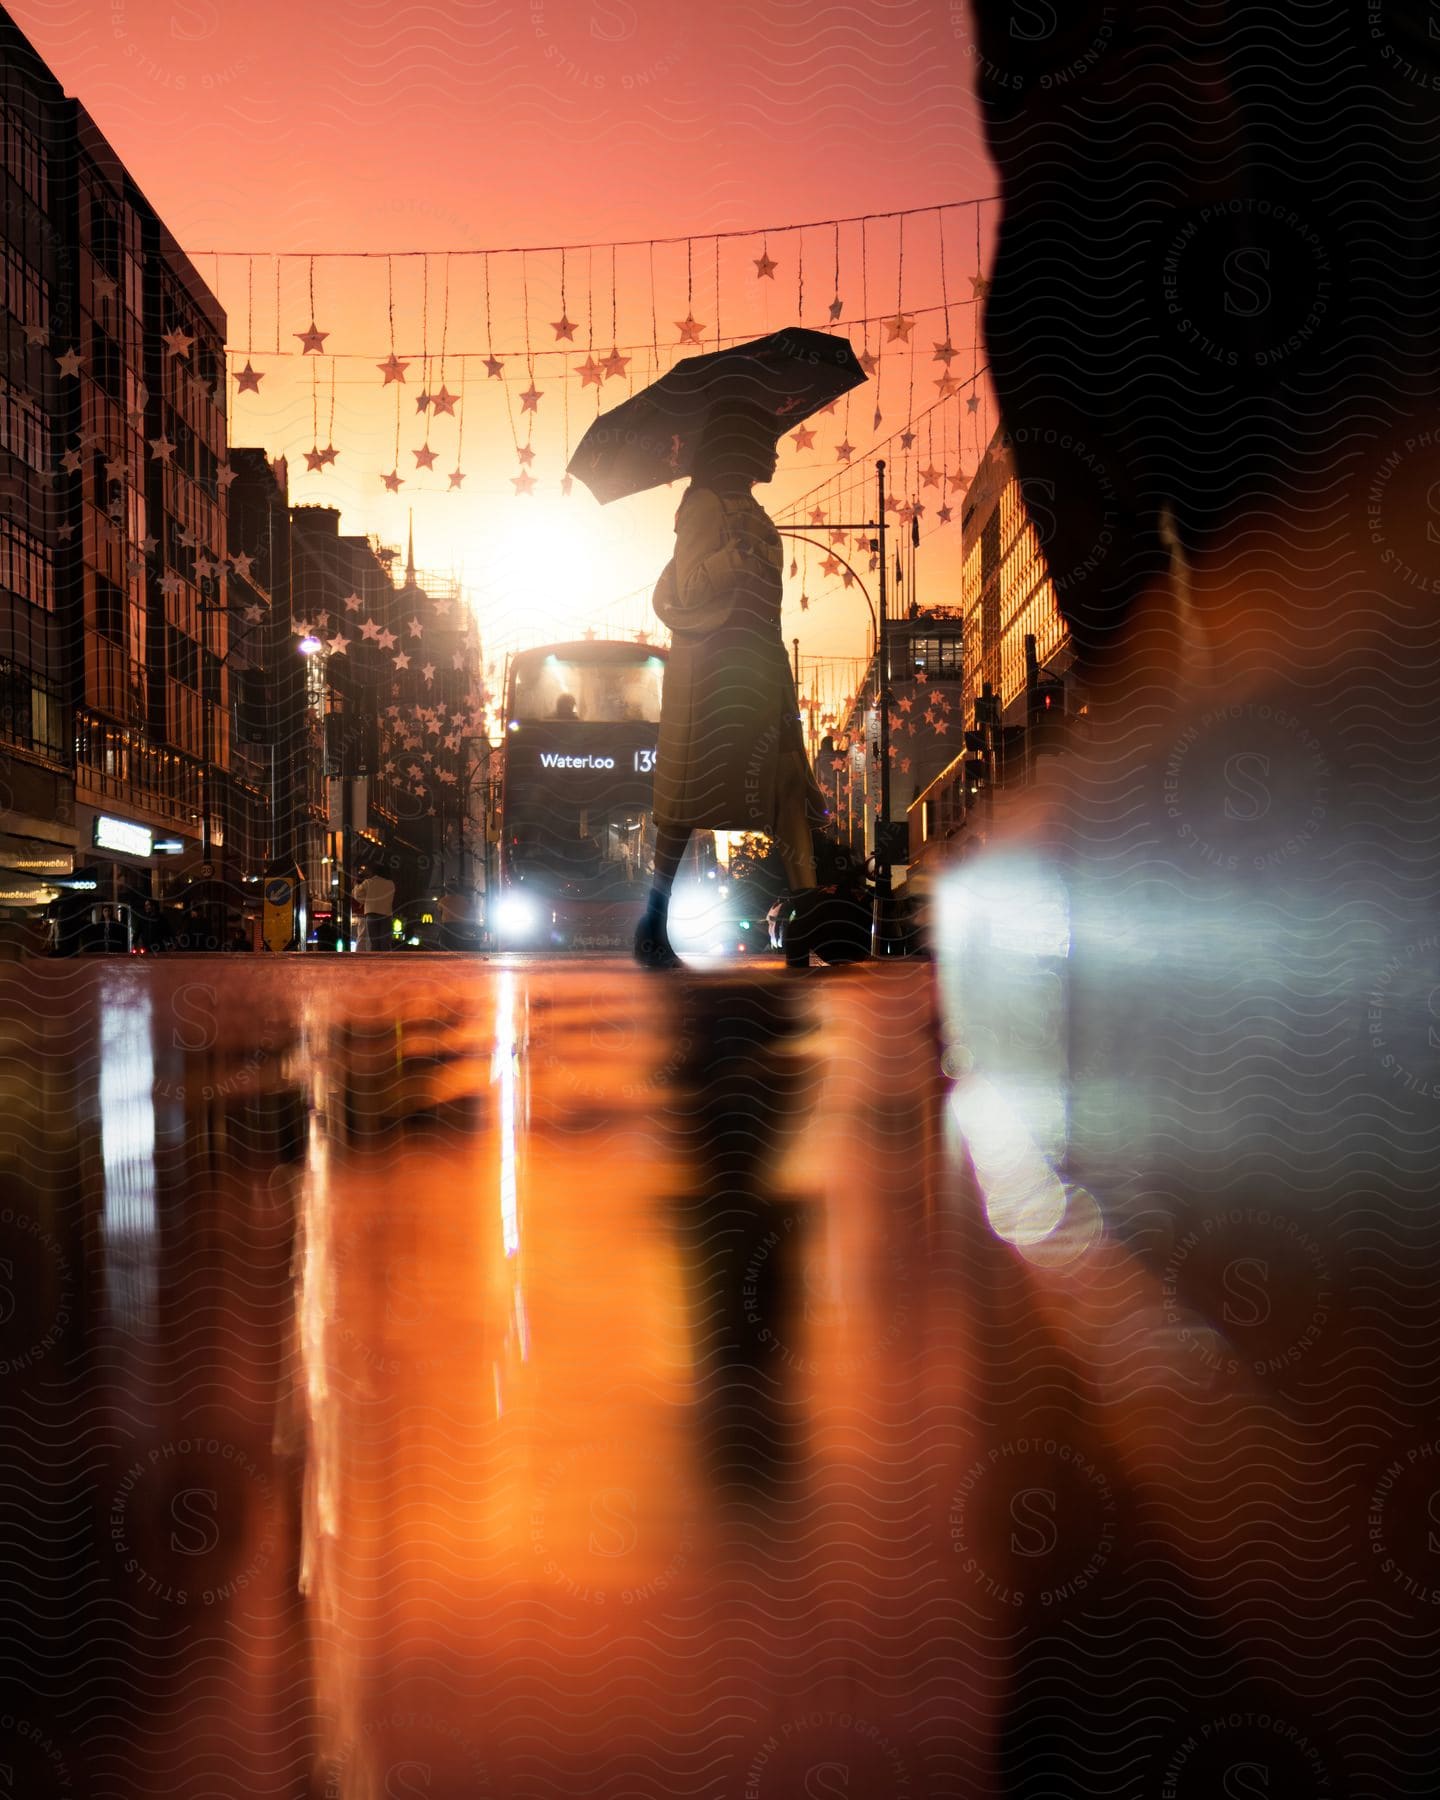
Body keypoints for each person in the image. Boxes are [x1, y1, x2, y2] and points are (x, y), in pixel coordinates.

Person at [635, 399, 827, 968]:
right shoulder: (702, 504)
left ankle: (807, 913)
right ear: (738, 444)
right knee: (683, 802)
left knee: (786, 783)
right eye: (766, 438)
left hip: (760, 662)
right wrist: (735, 559)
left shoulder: (756, 509)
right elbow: (689, 589)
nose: (775, 449)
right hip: (711, 674)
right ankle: (653, 921)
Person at [352, 864, 395, 952]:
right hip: (386, 914)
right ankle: (386, 960)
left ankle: (376, 961)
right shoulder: (391, 884)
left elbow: (357, 895)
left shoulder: (368, 882)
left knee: (374, 941)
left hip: (371, 913)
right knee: (385, 941)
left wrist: (357, 886)